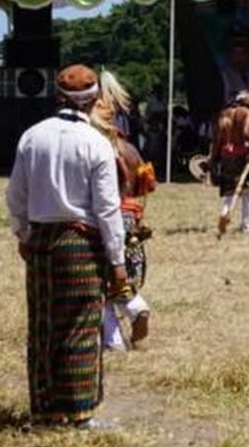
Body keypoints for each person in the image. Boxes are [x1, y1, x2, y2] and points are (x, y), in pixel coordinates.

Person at [5, 64, 127, 429]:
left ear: (58, 97)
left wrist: (23, 235)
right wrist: (117, 260)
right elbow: (108, 208)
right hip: (80, 243)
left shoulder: (32, 137)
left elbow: (16, 196)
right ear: (94, 100)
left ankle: (43, 411)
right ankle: (78, 413)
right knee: (80, 326)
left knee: (42, 325)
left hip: (41, 241)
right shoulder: (95, 143)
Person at [90, 72, 155, 350]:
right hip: (130, 219)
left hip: (103, 218)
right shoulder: (129, 149)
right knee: (123, 276)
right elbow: (145, 187)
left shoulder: (95, 147)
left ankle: (113, 340)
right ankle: (136, 307)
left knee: (99, 283)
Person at [211, 90, 249, 235]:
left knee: (229, 191)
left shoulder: (225, 113)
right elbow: (246, 133)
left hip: (226, 156)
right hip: (243, 155)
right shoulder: (248, 113)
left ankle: (224, 212)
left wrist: (214, 159)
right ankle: (246, 227)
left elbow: (218, 140)